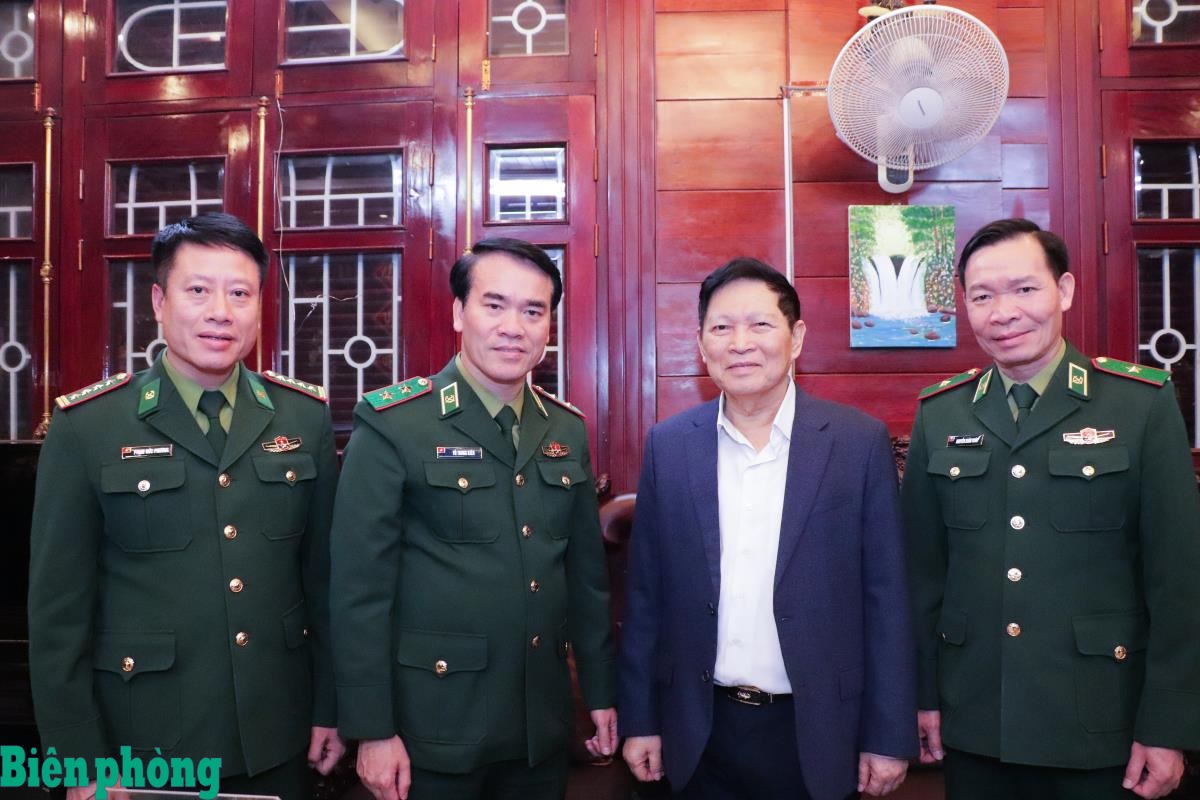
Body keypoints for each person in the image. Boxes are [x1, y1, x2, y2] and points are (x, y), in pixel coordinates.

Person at [27, 212, 344, 800]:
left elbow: (324, 585)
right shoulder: (89, 426)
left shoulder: (303, 418)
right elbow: (57, 616)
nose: (220, 311)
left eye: (240, 293)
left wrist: (330, 709)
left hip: (277, 733)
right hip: (143, 746)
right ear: (158, 301)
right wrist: (78, 761)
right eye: (198, 290)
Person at [902, 218, 1200, 800]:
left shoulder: (1139, 404)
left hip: (1101, 722)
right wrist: (922, 695)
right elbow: (922, 576)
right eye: (982, 296)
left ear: (1063, 290)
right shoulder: (941, 414)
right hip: (974, 719)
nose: (1004, 312)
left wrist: (1168, 725)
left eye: (1024, 289)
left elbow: (1178, 582)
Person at [329, 237, 617, 800]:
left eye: (533, 311)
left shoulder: (564, 428)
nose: (514, 327)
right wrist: (372, 729)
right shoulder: (395, 423)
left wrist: (602, 693)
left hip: (539, 729)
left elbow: (585, 579)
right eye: (495, 305)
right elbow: (358, 591)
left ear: (549, 326)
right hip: (432, 729)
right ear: (460, 312)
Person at [619, 258, 917, 800]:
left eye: (760, 324)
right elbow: (645, 598)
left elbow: (888, 598)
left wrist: (888, 734)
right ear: (701, 344)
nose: (740, 343)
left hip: (819, 731)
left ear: (796, 337)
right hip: (699, 731)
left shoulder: (857, 443)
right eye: (721, 327)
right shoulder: (669, 445)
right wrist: (641, 719)